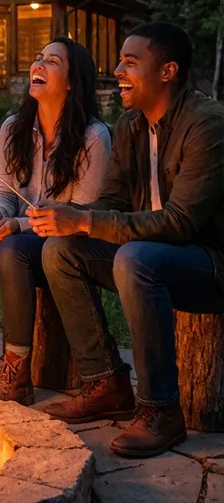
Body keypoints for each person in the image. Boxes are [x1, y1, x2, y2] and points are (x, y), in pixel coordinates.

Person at [29, 23, 224, 458]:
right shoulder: (132, 125)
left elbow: (180, 224)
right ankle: (106, 383)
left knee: (135, 258)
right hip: (147, 255)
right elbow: (113, 199)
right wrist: (70, 220)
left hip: (208, 263)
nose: (117, 70)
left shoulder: (206, 125)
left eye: (131, 63)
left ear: (168, 71)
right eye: (120, 61)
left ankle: (161, 411)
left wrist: (83, 220)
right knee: (60, 250)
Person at [0, 37, 111, 404]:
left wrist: (17, 227)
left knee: (12, 250)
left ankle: (16, 371)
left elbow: (78, 216)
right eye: (38, 58)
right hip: (21, 235)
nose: (37, 65)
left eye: (52, 62)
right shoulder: (14, 127)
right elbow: (6, 191)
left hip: (64, 245)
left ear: (72, 81)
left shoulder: (93, 136)